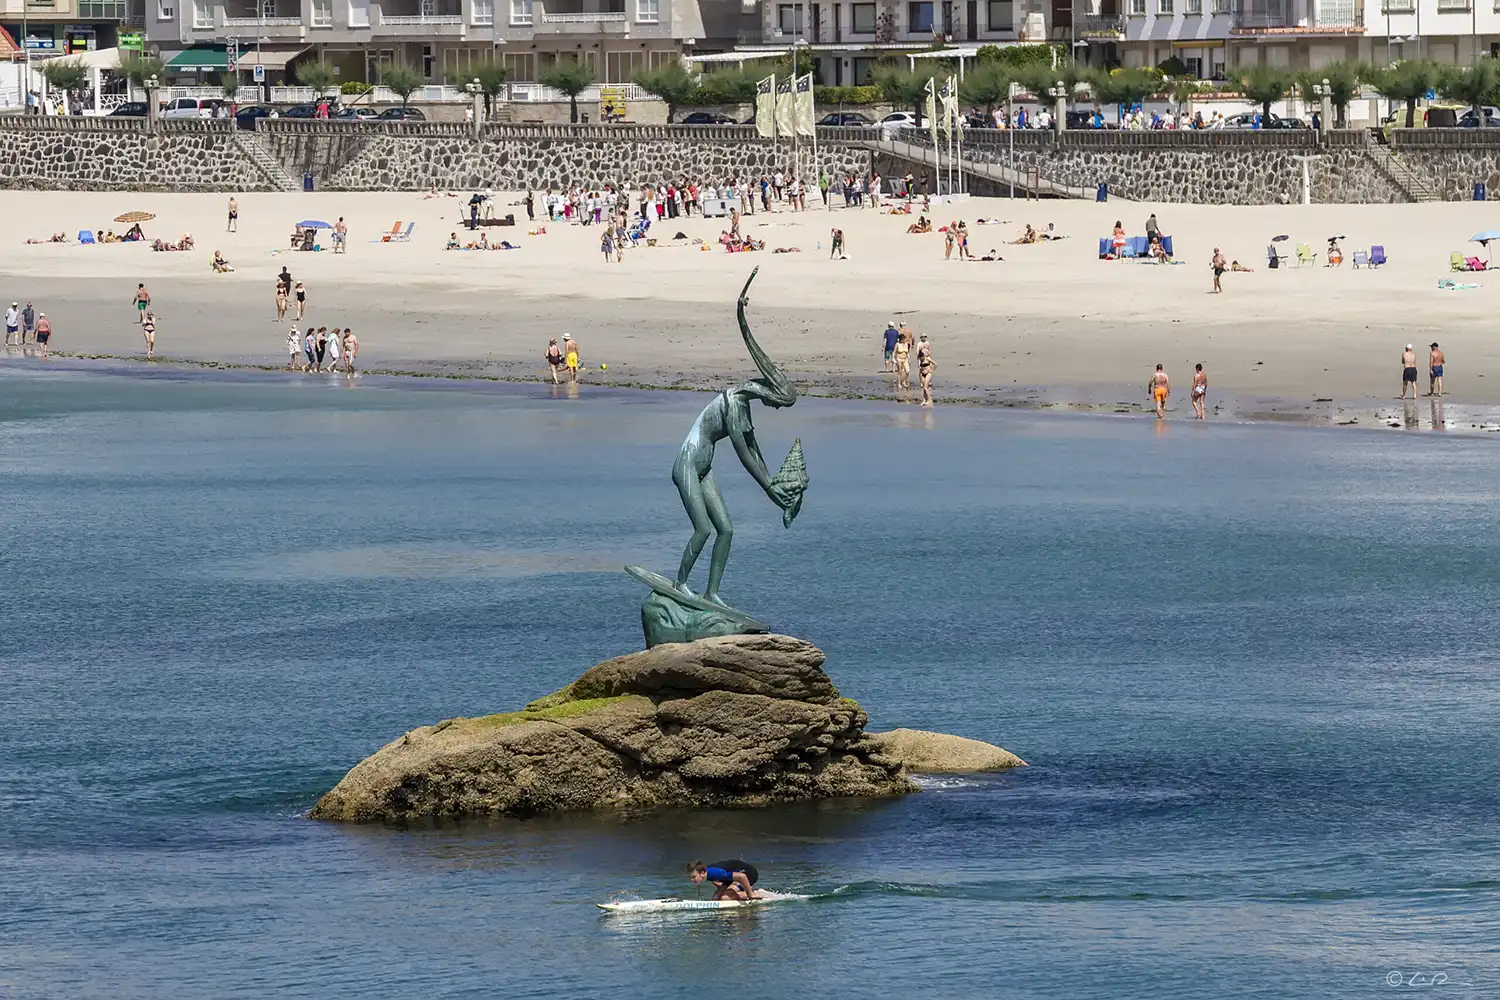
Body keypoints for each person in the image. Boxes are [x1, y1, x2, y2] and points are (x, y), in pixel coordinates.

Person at [687, 860, 761, 901]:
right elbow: (722, 885)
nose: (692, 880)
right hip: (732, 877)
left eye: (694, 877)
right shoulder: (707, 875)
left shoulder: (714, 873)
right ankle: (745, 892)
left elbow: (742, 876)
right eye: (690, 877)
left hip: (749, 874)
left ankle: (754, 893)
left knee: (724, 898)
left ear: (702, 873)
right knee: (716, 897)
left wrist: (750, 895)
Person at [917, 335, 935, 407]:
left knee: (925, 387)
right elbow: (920, 366)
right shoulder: (920, 359)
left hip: (928, 373)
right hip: (922, 373)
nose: (921, 358)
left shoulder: (927, 358)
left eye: (922, 356)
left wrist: (932, 370)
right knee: (923, 388)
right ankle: (924, 400)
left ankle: (929, 400)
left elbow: (935, 364)